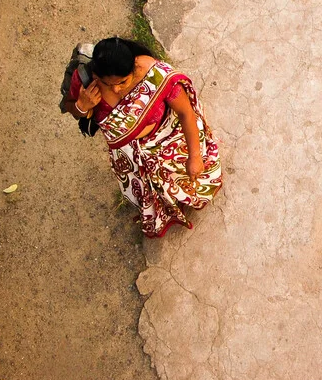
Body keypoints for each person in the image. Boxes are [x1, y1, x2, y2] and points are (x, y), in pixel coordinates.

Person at [64, 37, 222, 237]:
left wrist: (195, 156)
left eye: (123, 82)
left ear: (135, 68)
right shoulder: (86, 81)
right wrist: (81, 106)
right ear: (96, 73)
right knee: (155, 192)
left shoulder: (155, 75)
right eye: (107, 83)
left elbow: (185, 113)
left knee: (191, 180)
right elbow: (71, 107)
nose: (116, 89)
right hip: (134, 158)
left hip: (172, 140)